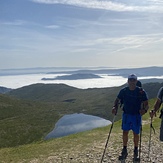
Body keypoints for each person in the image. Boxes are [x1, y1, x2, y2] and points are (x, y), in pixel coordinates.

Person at [112, 74, 149, 160]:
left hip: (136, 115)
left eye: (134, 80)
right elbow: (117, 100)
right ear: (128, 81)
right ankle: (125, 148)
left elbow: (146, 104)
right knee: (125, 132)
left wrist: (145, 110)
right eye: (130, 80)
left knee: (136, 133)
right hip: (126, 114)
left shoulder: (141, 91)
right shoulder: (123, 91)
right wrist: (114, 107)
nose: (132, 82)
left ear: (136, 81)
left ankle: (136, 149)